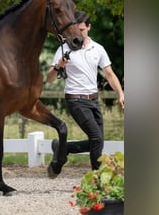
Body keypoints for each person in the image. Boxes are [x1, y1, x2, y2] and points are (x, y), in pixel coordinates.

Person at [46, 11, 124, 170]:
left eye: (82, 29)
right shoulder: (65, 48)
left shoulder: (98, 49)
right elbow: (50, 78)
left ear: (89, 27)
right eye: (76, 29)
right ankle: (98, 179)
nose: (79, 33)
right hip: (75, 99)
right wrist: (59, 65)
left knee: (97, 141)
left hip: (94, 100)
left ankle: (63, 148)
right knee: (96, 138)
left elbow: (109, 74)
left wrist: (121, 94)